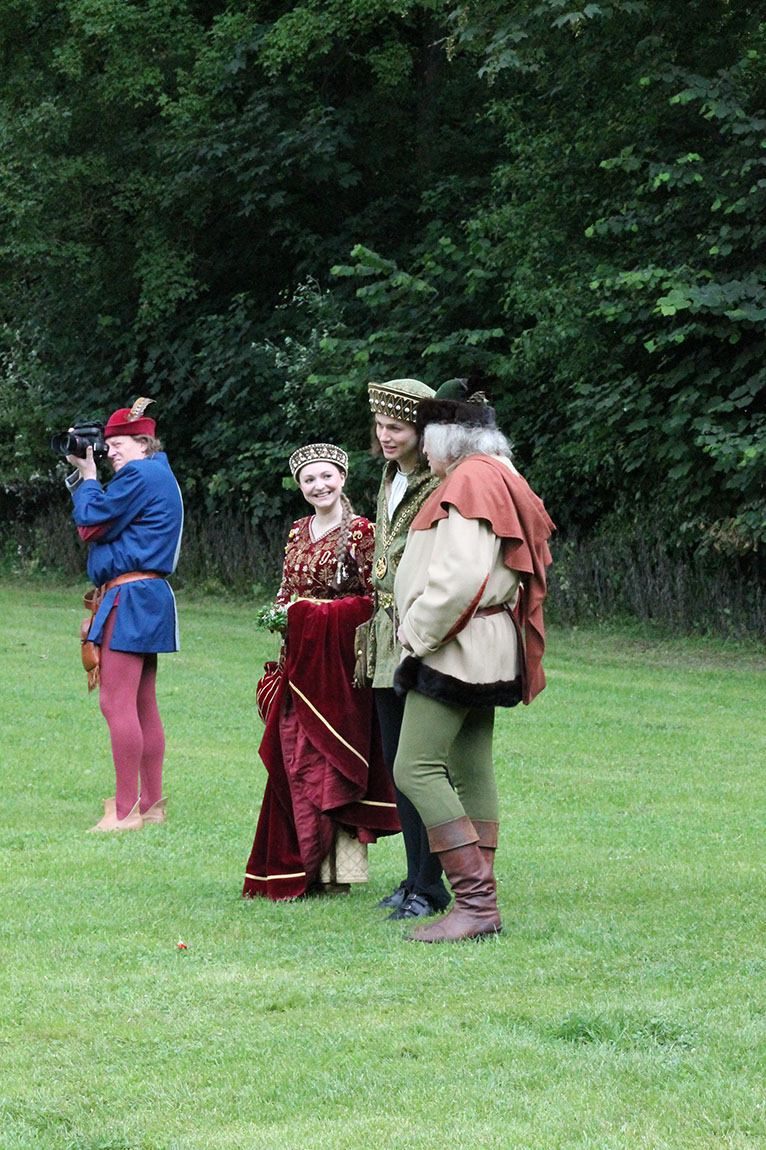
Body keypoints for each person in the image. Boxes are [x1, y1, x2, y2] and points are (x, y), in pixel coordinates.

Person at [391, 382, 555, 942]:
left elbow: (461, 577)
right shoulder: (500, 473)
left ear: (445, 440)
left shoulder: (467, 480)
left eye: (426, 440)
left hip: (456, 644)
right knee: (471, 766)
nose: (422, 451)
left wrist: (416, 631)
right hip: (486, 641)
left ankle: (477, 904)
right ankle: (479, 902)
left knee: (414, 767)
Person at [243, 443, 400, 900]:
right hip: (299, 663)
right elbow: (286, 590)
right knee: (295, 758)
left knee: (333, 761)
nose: (319, 486)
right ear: (300, 486)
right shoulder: (297, 530)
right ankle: (300, 866)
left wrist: (320, 615)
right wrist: (284, 615)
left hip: (340, 669)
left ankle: (338, 873)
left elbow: (377, 598)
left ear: (342, 478)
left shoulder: (362, 532)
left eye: (326, 476)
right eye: (309, 480)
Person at [65, 398, 184, 832]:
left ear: (144, 444)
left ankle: (123, 811)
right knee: (142, 702)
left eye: (119, 444)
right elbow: (100, 525)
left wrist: (88, 477)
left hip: (130, 596)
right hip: (148, 595)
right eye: (108, 444)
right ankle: (150, 805)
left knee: (116, 701)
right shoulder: (159, 475)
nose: (110, 451)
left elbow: (90, 521)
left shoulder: (139, 474)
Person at [365, 379, 451, 921]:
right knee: (397, 761)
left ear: (422, 432)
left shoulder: (439, 481)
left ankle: (432, 886)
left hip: (418, 632)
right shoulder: (389, 476)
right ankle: (414, 875)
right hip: (382, 633)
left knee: (420, 764)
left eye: (396, 428)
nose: (386, 436)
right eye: (380, 426)